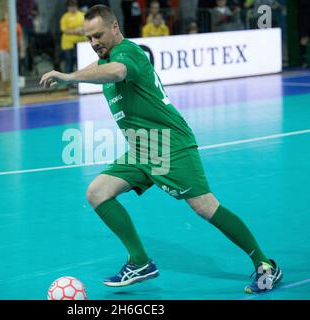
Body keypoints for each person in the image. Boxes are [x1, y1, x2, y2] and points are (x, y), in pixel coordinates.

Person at [40, 4, 283, 294]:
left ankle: (264, 264)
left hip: (169, 144)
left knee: (205, 207)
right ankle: (140, 262)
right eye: (89, 38)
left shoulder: (127, 53)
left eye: (99, 35)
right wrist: (76, 72)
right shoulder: (104, 58)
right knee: (97, 192)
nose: (94, 43)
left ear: (115, 27)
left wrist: (69, 78)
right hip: (142, 148)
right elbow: (100, 68)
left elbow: (117, 72)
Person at [0, 12, 24, 93]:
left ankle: (14, 88)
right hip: (3, 51)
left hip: (13, 51)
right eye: (6, 14)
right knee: (4, 69)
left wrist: (22, 51)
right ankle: (5, 89)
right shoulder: (0, 26)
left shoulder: (17, 25)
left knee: (13, 69)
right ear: (4, 16)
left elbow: (21, 39)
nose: (8, 16)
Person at [60, 0, 87, 75]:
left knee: (80, 63)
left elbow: (87, 26)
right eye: (70, 6)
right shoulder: (65, 17)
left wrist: (82, 30)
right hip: (68, 44)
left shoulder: (82, 15)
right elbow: (63, 29)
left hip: (81, 43)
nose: (72, 8)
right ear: (67, 7)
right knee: (69, 62)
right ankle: (68, 82)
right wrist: (76, 31)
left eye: (73, 6)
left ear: (76, 6)